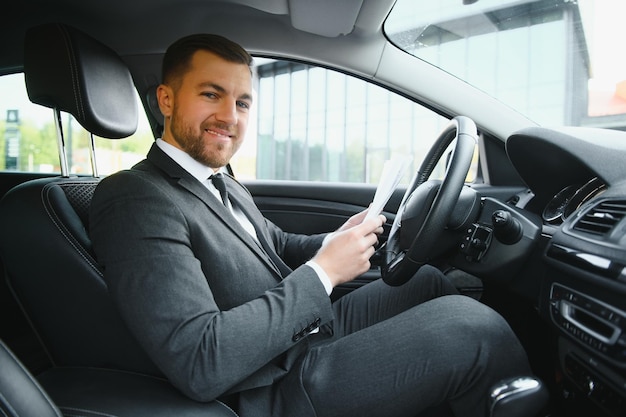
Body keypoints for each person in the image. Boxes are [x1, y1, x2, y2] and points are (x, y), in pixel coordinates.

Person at [89, 33, 531, 417]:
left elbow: (274, 244)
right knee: (475, 330)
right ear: (166, 99)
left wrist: (337, 240)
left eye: (242, 102)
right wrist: (325, 273)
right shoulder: (134, 197)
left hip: (296, 339)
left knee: (428, 283)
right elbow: (201, 361)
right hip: (269, 388)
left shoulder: (218, 179)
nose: (231, 116)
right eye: (211, 94)